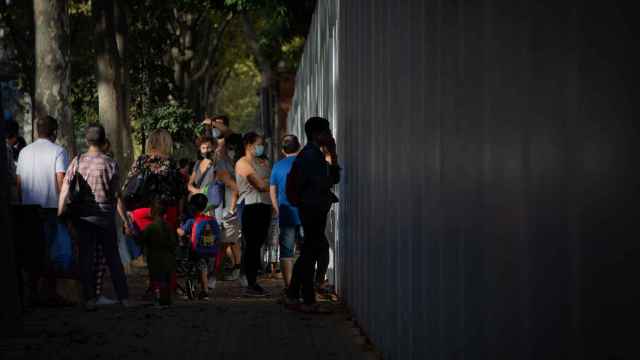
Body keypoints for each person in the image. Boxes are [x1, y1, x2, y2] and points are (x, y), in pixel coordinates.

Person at [58, 124, 129, 311]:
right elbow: (117, 195)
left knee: (86, 258)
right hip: (105, 217)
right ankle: (124, 298)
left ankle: (88, 299)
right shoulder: (110, 163)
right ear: (103, 140)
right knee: (113, 258)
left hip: (84, 217)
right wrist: (126, 220)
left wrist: (60, 212)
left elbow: (65, 188)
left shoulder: (78, 160)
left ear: (87, 140)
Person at [284, 117, 341, 313]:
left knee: (309, 252)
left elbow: (332, 179)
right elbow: (329, 181)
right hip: (313, 209)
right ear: (317, 134)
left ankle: (293, 295)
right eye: (327, 132)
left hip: (310, 208)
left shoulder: (312, 154)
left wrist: (331, 154)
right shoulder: (311, 156)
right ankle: (307, 300)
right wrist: (332, 154)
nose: (330, 136)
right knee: (310, 253)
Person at [122, 129, 186, 297]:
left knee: (150, 250)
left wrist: (128, 214)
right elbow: (180, 190)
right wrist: (180, 215)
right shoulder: (170, 163)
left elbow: (127, 187)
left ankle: (154, 286)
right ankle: (169, 285)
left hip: (142, 212)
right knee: (167, 250)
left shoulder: (141, 161)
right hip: (166, 211)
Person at [16, 115, 71, 306]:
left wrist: (21, 202)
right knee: (51, 251)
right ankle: (50, 293)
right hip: (50, 208)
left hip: (27, 208)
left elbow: (19, 182)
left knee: (32, 250)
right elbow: (61, 180)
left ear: (37, 131)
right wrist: (65, 206)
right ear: (54, 132)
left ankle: (32, 293)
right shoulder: (58, 151)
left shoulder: (24, 152)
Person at [235, 132, 272, 296]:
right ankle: (250, 281)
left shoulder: (263, 161)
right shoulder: (243, 163)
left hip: (264, 205)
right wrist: (271, 182)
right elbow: (259, 184)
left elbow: (268, 182)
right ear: (248, 145)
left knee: (258, 243)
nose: (261, 147)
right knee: (251, 244)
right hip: (250, 206)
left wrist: (269, 183)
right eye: (258, 144)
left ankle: (253, 280)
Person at [269, 135, 302, 289]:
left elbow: (272, 192)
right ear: (299, 146)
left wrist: (278, 209)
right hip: (305, 213)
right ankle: (305, 283)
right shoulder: (305, 164)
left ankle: (289, 286)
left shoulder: (277, 166)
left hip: (286, 213)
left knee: (287, 252)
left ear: (282, 150)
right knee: (307, 249)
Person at [177, 193, 221, 301]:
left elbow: (182, 233)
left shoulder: (191, 221)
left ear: (192, 206)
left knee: (198, 268)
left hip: (196, 250)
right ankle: (203, 290)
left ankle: (202, 291)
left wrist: (175, 227)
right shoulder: (211, 219)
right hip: (210, 250)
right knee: (204, 268)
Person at [136, 200, 177, 307]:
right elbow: (173, 243)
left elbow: (141, 240)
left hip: (154, 258)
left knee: (157, 280)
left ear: (152, 212)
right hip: (168, 258)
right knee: (166, 280)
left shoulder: (150, 227)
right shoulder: (169, 227)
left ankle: (159, 299)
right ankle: (167, 299)